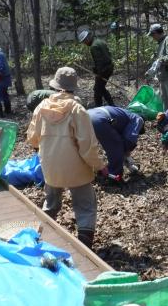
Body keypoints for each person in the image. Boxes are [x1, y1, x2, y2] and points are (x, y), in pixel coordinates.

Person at [26, 67, 107, 249]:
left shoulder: (41, 107)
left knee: (51, 202)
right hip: (76, 169)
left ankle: (39, 236)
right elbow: (88, 147)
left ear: (55, 86)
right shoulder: (77, 110)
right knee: (85, 205)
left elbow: (32, 138)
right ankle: (85, 243)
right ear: (73, 87)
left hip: (50, 168)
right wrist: (100, 166)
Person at [88, 106, 145, 182]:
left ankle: (88, 171)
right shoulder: (138, 119)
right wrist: (126, 153)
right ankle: (113, 176)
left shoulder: (124, 114)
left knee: (85, 148)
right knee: (116, 147)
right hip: (99, 120)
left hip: (86, 115)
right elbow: (129, 140)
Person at [146, 23, 168, 109]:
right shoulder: (161, 43)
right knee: (165, 100)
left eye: (152, 35)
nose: (152, 38)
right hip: (164, 77)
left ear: (156, 33)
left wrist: (160, 60)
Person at [79, 29, 114, 107]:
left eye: (84, 41)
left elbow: (99, 61)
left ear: (87, 39)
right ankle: (111, 104)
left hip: (104, 70)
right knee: (101, 87)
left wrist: (99, 73)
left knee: (97, 89)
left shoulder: (94, 46)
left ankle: (99, 106)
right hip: (109, 67)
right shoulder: (100, 41)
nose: (85, 43)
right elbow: (107, 55)